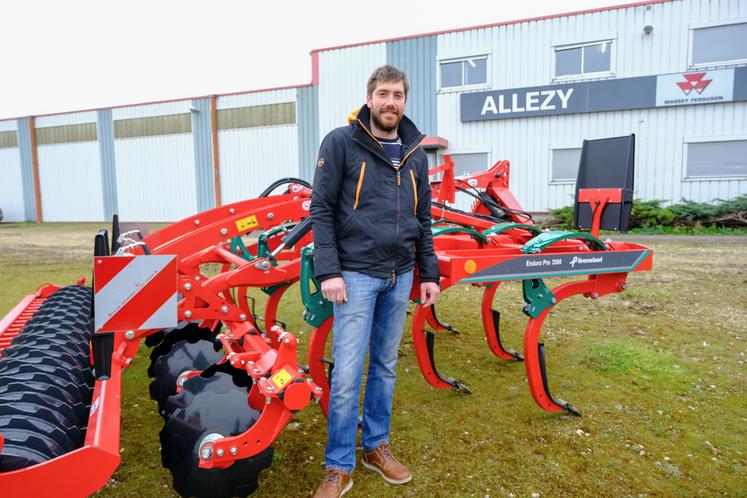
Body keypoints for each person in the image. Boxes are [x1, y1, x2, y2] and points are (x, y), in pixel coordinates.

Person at [310, 65, 440, 498]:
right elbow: (322, 210)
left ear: (405, 101)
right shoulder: (342, 142)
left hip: (399, 275)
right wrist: (329, 271)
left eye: (397, 95)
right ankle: (338, 465)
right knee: (347, 373)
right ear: (369, 98)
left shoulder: (415, 152)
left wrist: (429, 273)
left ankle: (375, 447)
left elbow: (423, 218)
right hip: (355, 274)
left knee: (384, 367)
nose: (390, 102)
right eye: (383, 94)